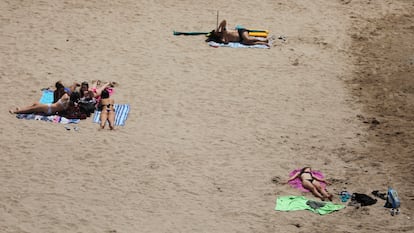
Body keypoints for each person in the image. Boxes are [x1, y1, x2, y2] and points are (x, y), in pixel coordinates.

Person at [206, 20, 271, 46]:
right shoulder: (222, 39)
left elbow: (224, 21)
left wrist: (218, 27)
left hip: (240, 32)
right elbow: (226, 42)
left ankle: (264, 40)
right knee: (247, 43)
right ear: (216, 35)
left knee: (247, 39)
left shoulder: (223, 29)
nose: (217, 32)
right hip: (240, 40)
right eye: (216, 32)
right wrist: (225, 37)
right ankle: (263, 43)